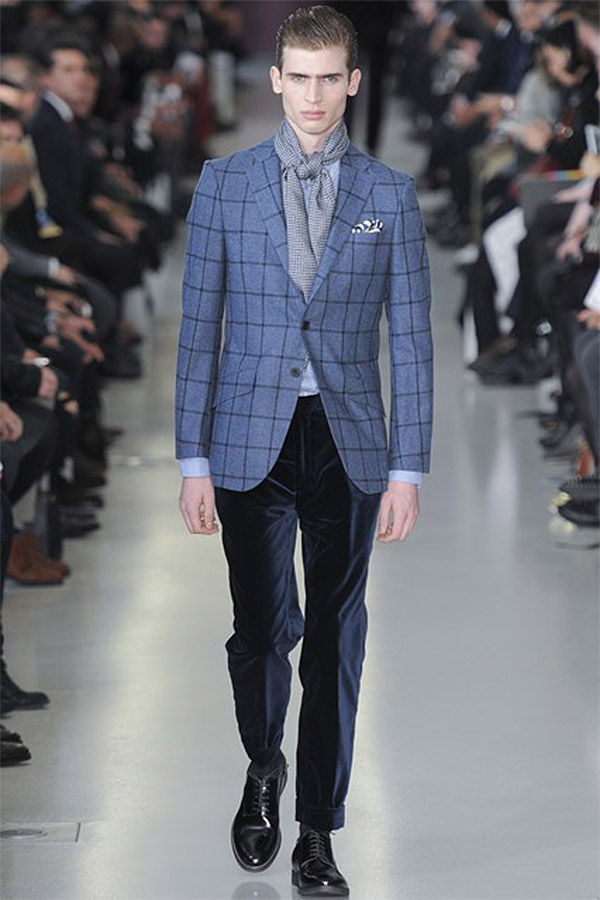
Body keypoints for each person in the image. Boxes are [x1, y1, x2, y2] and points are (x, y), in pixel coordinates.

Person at [175, 5, 433, 895]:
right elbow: (198, 328)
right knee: (260, 630)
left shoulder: (390, 196)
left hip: (348, 438)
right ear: (276, 79)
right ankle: (264, 764)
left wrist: (408, 469)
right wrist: (191, 459)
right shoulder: (224, 183)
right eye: (300, 77)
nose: (314, 96)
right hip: (248, 435)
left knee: (335, 635)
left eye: (331, 78)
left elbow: (411, 342)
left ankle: (318, 828)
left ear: (353, 82)